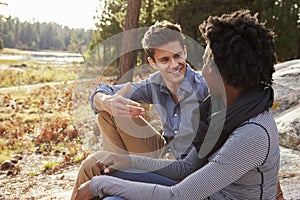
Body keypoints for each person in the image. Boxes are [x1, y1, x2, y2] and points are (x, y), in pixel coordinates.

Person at [75, 9, 281, 200]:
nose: (201, 68)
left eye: (206, 62)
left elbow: (178, 195)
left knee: (112, 195)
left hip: (193, 193)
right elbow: (185, 168)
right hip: (198, 189)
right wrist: (127, 161)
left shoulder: (253, 132)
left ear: (222, 72)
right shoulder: (222, 108)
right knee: (106, 170)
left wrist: (100, 186)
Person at [70, 20, 208, 199]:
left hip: (185, 170)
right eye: (165, 60)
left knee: (92, 163)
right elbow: (102, 92)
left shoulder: (204, 87)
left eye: (177, 56)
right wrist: (106, 101)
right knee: (109, 112)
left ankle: (117, 179)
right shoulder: (155, 83)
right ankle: (117, 175)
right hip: (164, 153)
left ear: (185, 51)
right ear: (152, 62)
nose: (174, 64)